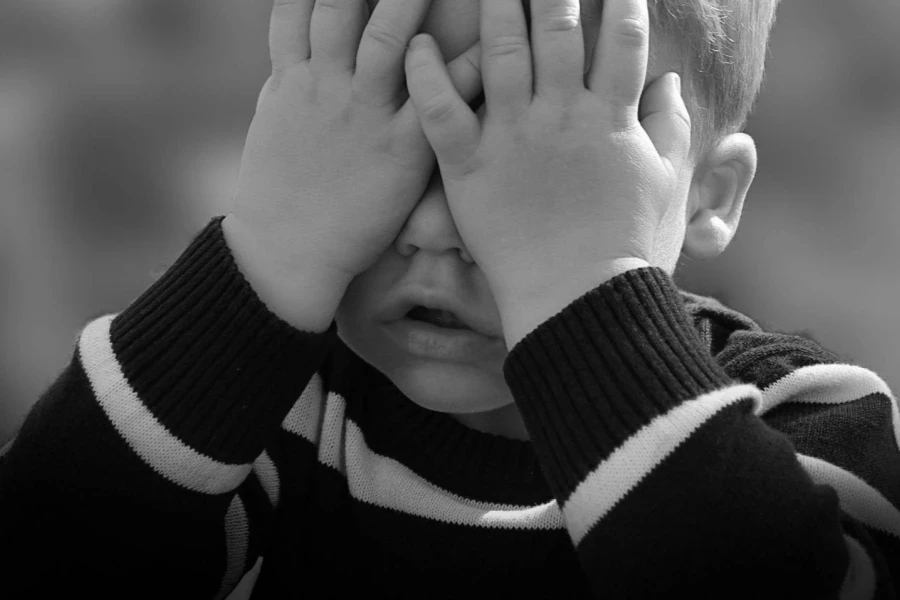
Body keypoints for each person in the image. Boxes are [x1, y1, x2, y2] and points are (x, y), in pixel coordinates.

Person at [1, 0, 897, 597]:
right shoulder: (266, 407)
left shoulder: (806, 415)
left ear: (709, 196)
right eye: (392, 142)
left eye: (543, 162)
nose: (435, 225)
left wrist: (580, 288)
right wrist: (266, 253)